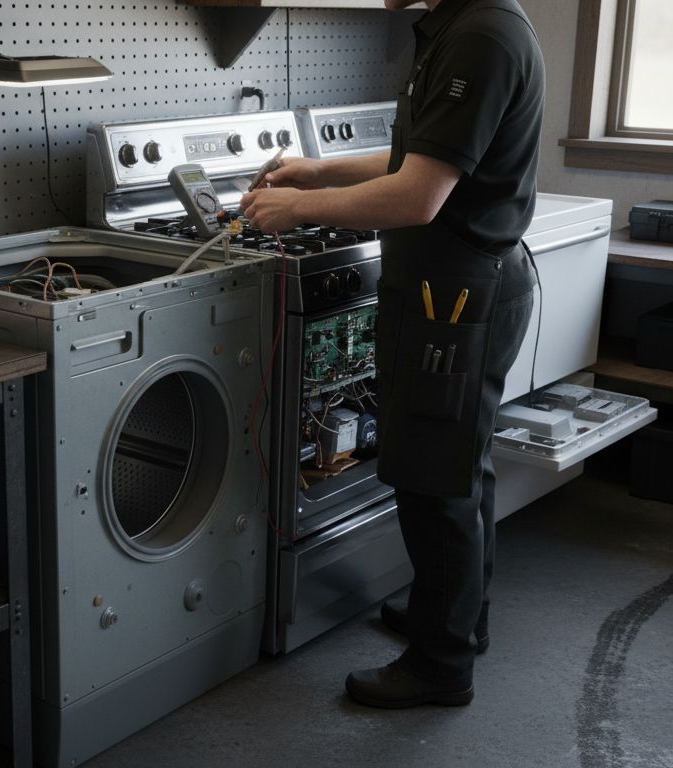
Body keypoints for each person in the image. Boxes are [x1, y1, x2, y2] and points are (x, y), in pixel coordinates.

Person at [240, 0, 544, 708]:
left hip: (457, 296)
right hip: (452, 289)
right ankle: (458, 619)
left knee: (435, 477)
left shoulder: (482, 36)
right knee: (459, 466)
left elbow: (416, 195)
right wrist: (318, 174)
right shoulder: (461, 26)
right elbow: (425, 156)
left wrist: (300, 210)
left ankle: (441, 665)